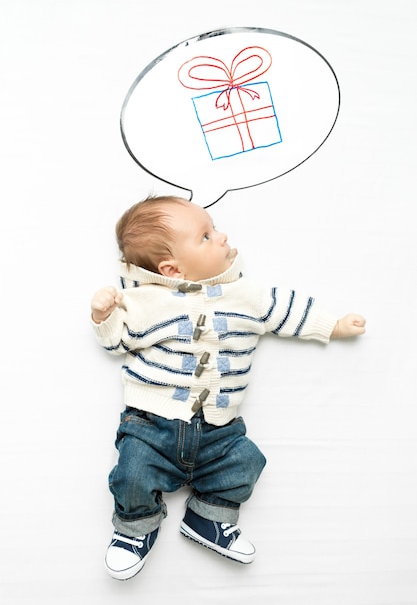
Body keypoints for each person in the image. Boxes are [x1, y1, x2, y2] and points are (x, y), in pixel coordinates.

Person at [91, 195, 366, 580]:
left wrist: (332, 324)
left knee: (247, 463)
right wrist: (104, 315)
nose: (221, 237)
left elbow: (286, 309)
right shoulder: (145, 301)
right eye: (205, 236)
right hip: (152, 423)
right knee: (132, 474)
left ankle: (207, 519)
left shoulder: (247, 294)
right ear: (172, 268)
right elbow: (117, 341)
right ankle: (136, 527)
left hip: (221, 429)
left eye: (214, 228)